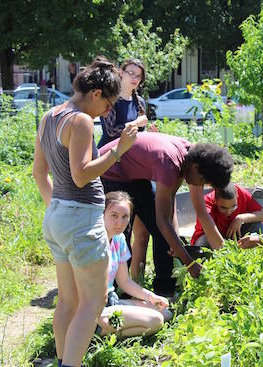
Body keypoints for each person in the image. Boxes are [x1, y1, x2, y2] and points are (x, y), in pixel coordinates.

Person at [32, 59, 139, 367]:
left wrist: (59, 208)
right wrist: (119, 149)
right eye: (108, 103)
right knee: (93, 302)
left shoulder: (49, 116)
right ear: (95, 93)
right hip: (81, 219)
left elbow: (39, 172)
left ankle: (63, 360)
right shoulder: (79, 121)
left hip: (57, 218)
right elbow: (81, 175)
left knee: (68, 302)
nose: (108, 111)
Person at [99, 133, 233, 296]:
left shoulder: (187, 158)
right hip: (111, 169)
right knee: (119, 231)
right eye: (202, 181)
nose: (200, 185)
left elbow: (168, 206)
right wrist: (190, 264)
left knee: (163, 234)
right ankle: (109, 290)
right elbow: (163, 221)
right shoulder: (170, 164)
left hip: (135, 175)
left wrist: (174, 244)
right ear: (196, 168)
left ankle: (165, 290)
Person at [96, 58, 155, 281]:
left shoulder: (139, 101)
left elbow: (142, 132)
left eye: (138, 75)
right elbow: (111, 130)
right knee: (116, 222)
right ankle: (109, 278)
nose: (133, 78)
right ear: (121, 73)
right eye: (130, 72)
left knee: (136, 220)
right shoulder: (111, 98)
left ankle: (129, 278)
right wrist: (134, 125)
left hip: (133, 164)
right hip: (111, 163)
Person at [95, 191, 170, 337]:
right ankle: (98, 332)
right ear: (102, 214)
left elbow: (124, 282)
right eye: (114, 216)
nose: (120, 223)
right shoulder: (95, 242)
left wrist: (151, 297)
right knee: (156, 320)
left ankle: (108, 332)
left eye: (125, 217)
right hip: (95, 306)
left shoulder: (119, 239)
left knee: (165, 312)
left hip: (112, 300)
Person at [191, 182, 263, 246]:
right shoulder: (206, 205)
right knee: (205, 241)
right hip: (212, 237)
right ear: (215, 200)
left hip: (234, 236)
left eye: (234, 206)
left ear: (237, 196)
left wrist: (240, 218)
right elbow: (211, 235)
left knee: (257, 226)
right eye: (223, 208)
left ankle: (252, 250)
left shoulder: (241, 192)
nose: (229, 212)